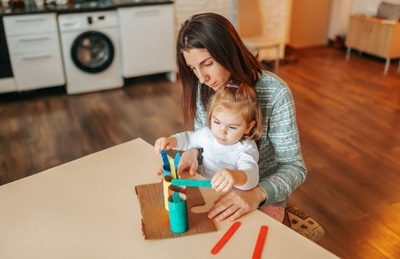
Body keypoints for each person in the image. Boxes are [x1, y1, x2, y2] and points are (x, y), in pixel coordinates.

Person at [175, 12, 307, 223]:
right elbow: (205, 139)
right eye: (193, 68)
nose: (201, 78)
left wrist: (256, 194)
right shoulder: (206, 87)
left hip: (261, 197)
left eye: (207, 63)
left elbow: (294, 167)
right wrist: (193, 153)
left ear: (228, 51)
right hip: (215, 189)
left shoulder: (275, 93)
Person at [155, 82, 263, 192]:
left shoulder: (246, 148)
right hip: (205, 191)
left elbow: (252, 177)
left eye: (232, 127)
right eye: (217, 122)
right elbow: (189, 139)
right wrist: (172, 140)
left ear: (248, 127)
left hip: (229, 198)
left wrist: (236, 177)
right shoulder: (207, 134)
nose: (222, 131)